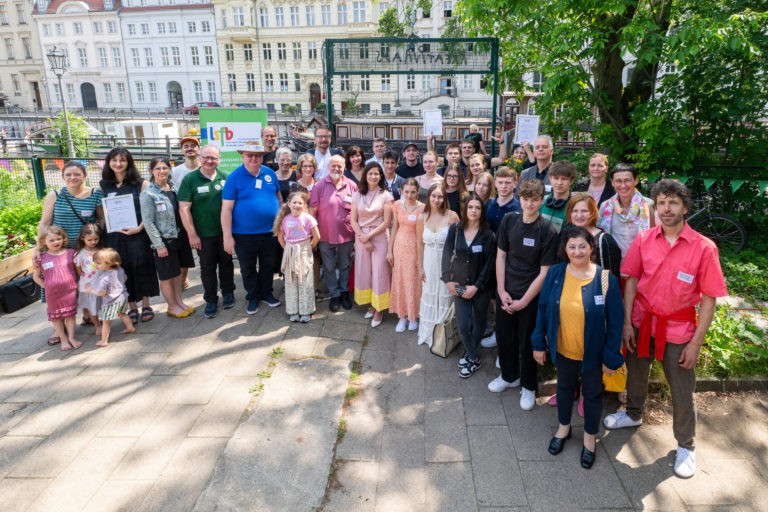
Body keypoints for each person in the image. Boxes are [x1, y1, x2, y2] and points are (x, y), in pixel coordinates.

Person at [603, 179, 727, 479]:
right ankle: (633, 414)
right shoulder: (644, 240)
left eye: (673, 202)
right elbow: (630, 281)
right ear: (654, 207)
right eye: (661, 203)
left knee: (682, 387)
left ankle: (686, 445)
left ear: (685, 208)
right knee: (636, 370)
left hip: (679, 328)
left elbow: (709, 299)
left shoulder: (703, 248)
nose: (666, 208)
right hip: (643, 321)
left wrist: (697, 343)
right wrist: (627, 324)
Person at [532, 226, 625, 469]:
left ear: (591, 248)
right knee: (564, 389)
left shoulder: (606, 280)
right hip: (563, 348)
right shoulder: (555, 273)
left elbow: (615, 324)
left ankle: (589, 438)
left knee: (593, 394)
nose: (577, 251)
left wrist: (611, 357)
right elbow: (542, 309)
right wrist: (538, 343)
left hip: (594, 354)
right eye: (572, 246)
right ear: (565, 249)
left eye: (582, 246)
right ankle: (563, 429)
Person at [489, 179, 559, 411]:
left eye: (534, 200)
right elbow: (500, 256)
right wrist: (501, 290)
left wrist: (524, 301)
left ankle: (528, 386)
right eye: (525, 199)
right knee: (505, 337)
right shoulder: (509, 221)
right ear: (520, 199)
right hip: (506, 290)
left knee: (528, 342)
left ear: (541, 201)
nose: (529, 204)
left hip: (530, 296)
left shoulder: (547, 230)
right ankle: (509, 376)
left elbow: (545, 272)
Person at [36, 160, 104, 342]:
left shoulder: (95, 194)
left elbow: (102, 219)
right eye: (68, 174)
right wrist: (38, 247)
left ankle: (88, 315)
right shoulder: (55, 195)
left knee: (84, 282)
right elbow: (44, 222)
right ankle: (58, 327)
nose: (73, 178)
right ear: (63, 176)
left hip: (84, 249)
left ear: (85, 175)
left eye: (77, 174)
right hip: (58, 249)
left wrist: (99, 244)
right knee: (58, 288)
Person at [222, 140, 283, 315]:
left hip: (270, 232)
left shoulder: (270, 173)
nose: (254, 158)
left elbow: (279, 199)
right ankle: (253, 296)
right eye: (250, 155)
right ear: (243, 156)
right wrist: (227, 236)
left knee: (268, 265)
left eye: (258, 155)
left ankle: (266, 293)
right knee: (248, 268)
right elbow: (226, 208)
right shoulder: (234, 177)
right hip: (244, 234)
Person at [100, 148, 159, 324]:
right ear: (108, 162)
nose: (118, 164)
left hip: (137, 234)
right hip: (114, 236)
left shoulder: (141, 184)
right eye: (114, 160)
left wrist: (139, 228)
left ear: (129, 163)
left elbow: (151, 211)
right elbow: (102, 213)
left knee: (142, 267)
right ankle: (132, 306)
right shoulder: (104, 185)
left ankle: (146, 304)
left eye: (122, 160)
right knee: (122, 269)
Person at [178, 145, 236, 319]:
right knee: (207, 268)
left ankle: (228, 293)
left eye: (214, 158)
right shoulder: (190, 179)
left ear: (219, 159)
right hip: (203, 235)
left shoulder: (226, 177)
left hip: (225, 233)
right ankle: (210, 299)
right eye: (206, 157)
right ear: (200, 157)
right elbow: (184, 209)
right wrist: (192, 234)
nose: (209, 161)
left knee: (227, 264)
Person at [442, 193, 496, 378]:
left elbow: (490, 265)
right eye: (470, 207)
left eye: (478, 208)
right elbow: (446, 254)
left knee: (479, 322)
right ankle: (474, 357)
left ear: (482, 211)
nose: (474, 211)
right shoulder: (455, 230)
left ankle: (470, 356)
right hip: (459, 285)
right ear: (465, 210)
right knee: (463, 325)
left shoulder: (488, 235)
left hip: (480, 288)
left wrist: (477, 286)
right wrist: (447, 280)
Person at [140, 156, 196, 318]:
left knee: (178, 273)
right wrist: (159, 245)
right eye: (157, 168)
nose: (162, 171)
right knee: (167, 276)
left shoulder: (174, 188)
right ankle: (172, 306)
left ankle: (179, 302)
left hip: (179, 238)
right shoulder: (148, 194)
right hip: (164, 241)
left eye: (164, 168)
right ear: (152, 171)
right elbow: (148, 222)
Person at [310, 155, 358, 312]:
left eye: (340, 166)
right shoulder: (319, 186)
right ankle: (334, 294)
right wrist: (312, 235)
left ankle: (344, 292)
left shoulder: (351, 185)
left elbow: (357, 211)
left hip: (347, 234)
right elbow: (312, 211)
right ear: (328, 167)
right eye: (334, 166)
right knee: (329, 267)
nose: (336, 169)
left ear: (344, 167)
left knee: (345, 265)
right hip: (325, 234)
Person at [351, 163, 394, 327]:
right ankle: (371, 302)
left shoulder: (386, 196)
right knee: (365, 271)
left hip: (379, 236)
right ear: (365, 176)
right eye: (370, 174)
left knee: (380, 272)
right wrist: (364, 238)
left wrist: (369, 236)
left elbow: (386, 222)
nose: (373, 177)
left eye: (377, 174)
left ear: (381, 176)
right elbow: (353, 220)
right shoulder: (357, 195)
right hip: (361, 236)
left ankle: (379, 308)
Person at [417, 183, 460, 347]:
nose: (436, 199)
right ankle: (428, 333)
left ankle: (442, 338)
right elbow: (419, 244)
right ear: (428, 197)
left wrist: (456, 268)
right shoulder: (422, 217)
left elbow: (459, 244)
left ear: (444, 198)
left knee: (444, 295)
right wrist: (420, 267)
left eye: (440, 196)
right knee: (429, 294)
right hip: (428, 261)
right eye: (433, 196)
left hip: (447, 262)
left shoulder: (452, 216)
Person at [33, 226, 81, 351]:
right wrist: (47, 286)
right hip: (52, 294)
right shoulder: (41, 259)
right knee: (57, 317)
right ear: (44, 242)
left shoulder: (71, 253)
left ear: (63, 239)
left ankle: (71, 337)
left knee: (70, 315)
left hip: (69, 291)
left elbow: (78, 271)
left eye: (58, 239)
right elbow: (36, 277)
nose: (56, 242)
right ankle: (63, 339)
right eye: (52, 240)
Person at [275, 191, 320, 323]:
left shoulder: (308, 218)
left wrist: (309, 247)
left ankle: (306, 310)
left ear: (304, 205)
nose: (297, 205)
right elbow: (280, 237)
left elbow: (317, 236)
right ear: (289, 204)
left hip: (304, 250)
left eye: (300, 203)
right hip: (290, 251)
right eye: (294, 202)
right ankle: (293, 310)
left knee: (305, 280)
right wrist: (288, 249)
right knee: (291, 280)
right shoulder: (285, 219)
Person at [597, 163, 657, 259]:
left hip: (641, 264)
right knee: (605, 275)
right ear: (612, 182)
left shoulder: (649, 205)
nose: (623, 185)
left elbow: (658, 237)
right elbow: (598, 236)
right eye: (618, 181)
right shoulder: (605, 207)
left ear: (636, 181)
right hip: (612, 264)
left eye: (627, 180)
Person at [387, 178, 424, 333]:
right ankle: (402, 315)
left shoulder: (422, 208)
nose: (409, 195)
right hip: (400, 246)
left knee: (414, 282)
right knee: (400, 280)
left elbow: (422, 232)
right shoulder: (397, 205)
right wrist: (390, 250)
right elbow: (394, 227)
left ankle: (414, 315)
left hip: (415, 246)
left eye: (413, 192)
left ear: (418, 192)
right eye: (406, 191)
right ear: (402, 191)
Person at [86, 247, 136, 347]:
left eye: (98, 263)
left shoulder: (104, 278)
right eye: (95, 262)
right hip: (122, 297)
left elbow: (102, 293)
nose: (96, 265)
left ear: (109, 263)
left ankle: (103, 341)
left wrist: (91, 290)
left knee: (106, 322)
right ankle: (130, 327)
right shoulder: (119, 269)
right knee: (122, 313)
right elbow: (125, 278)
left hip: (110, 302)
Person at [566, 193, 622, 277]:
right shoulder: (565, 236)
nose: (579, 215)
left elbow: (612, 277)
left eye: (584, 211)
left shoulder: (605, 241)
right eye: (575, 211)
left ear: (593, 212)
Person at [171, 136, 201, 289]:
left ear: (198, 149)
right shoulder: (175, 171)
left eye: (193, 146)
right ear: (182, 150)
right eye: (186, 146)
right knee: (184, 249)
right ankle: (183, 278)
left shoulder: (205, 168)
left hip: (202, 215)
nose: (190, 148)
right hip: (183, 216)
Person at [74, 223, 103, 336]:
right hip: (89, 287)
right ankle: (97, 326)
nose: (93, 242)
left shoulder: (101, 251)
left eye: (96, 239)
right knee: (92, 307)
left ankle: (105, 322)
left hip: (102, 285)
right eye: (90, 239)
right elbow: (79, 271)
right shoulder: (80, 254)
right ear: (82, 238)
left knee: (104, 305)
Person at [539, 160, 577, 233]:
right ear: (550, 179)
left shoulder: (576, 206)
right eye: (556, 178)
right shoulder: (542, 201)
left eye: (564, 179)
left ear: (571, 181)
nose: (559, 183)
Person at [485, 167, 521, 234]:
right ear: (495, 183)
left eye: (507, 183)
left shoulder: (520, 207)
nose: (504, 186)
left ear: (515, 184)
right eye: (500, 182)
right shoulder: (487, 203)